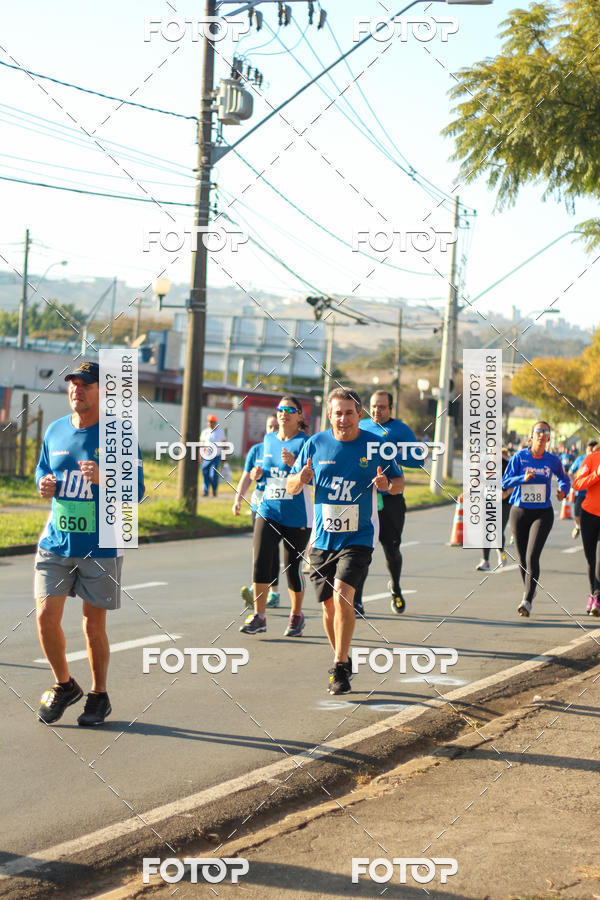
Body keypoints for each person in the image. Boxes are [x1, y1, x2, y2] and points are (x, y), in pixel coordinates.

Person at [34, 361, 145, 726]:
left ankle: (99, 695)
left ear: (103, 392)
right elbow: (42, 471)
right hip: (57, 540)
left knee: (91, 626)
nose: (76, 390)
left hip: (101, 543)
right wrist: (43, 485)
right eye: (72, 384)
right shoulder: (54, 430)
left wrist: (107, 476)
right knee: (45, 617)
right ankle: (65, 685)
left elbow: (139, 491)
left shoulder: (119, 436)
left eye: (85, 385)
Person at [287, 388, 403, 694]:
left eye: (349, 412)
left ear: (359, 415)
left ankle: (338, 665)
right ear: (329, 416)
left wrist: (386, 484)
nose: (343, 418)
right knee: (327, 607)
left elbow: (399, 483)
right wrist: (301, 478)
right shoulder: (315, 444)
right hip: (323, 539)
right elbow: (290, 485)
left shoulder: (377, 445)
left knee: (342, 596)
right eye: (338, 412)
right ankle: (342, 654)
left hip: (359, 536)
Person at [240, 397, 312, 637]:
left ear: (300, 417)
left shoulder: (306, 443)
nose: (284, 413)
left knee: (292, 568)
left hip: (297, 515)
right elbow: (266, 475)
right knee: (260, 560)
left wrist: (295, 465)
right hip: (268, 509)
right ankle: (260, 616)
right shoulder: (268, 440)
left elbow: (313, 478)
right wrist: (257, 474)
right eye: (281, 409)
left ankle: (296, 615)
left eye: (290, 410)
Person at [355, 389, 422, 615]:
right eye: (373, 406)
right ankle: (357, 600)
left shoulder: (400, 429)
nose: (376, 410)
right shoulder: (361, 426)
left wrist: (391, 452)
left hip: (391, 497)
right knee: (361, 550)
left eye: (382, 407)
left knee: (391, 549)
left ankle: (395, 586)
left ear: (391, 408)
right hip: (365, 498)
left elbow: (418, 459)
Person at [502, 421, 570, 617]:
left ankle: (527, 599)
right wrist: (522, 479)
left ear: (548, 438)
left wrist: (562, 491)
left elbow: (565, 479)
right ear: (531, 436)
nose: (542, 435)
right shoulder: (519, 457)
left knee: (532, 556)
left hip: (542, 513)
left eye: (545, 432)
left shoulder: (552, 460)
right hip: (519, 511)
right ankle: (530, 589)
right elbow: (504, 481)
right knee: (523, 560)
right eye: (538, 431)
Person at [233, 415, 281, 608]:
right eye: (270, 426)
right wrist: (238, 499)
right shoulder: (257, 450)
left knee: (272, 550)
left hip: (279, 505)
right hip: (259, 504)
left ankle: (274, 593)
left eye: (276, 426)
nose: (273, 430)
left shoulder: (288, 449)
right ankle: (258, 588)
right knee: (260, 548)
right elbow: (246, 477)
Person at [572, 443, 600, 615]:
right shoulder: (592, 459)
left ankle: (597, 596)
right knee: (591, 559)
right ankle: (593, 595)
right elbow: (577, 484)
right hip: (589, 514)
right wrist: (596, 475)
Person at [475, 448, 511, 571]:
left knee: (497, 531)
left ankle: (501, 552)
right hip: (488, 500)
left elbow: (515, 483)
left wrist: (506, 493)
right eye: (490, 451)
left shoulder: (506, 465)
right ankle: (485, 561)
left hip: (504, 502)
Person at [569, 440, 598, 539]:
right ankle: (578, 526)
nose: (589, 452)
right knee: (577, 514)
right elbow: (571, 473)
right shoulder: (580, 459)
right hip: (580, 493)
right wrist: (573, 483)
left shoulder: (596, 459)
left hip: (593, 496)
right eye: (588, 450)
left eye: (592, 450)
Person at [200, 413, 226, 497]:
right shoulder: (205, 432)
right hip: (206, 456)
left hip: (216, 456)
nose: (210, 423)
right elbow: (201, 444)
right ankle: (206, 491)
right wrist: (200, 455)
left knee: (213, 474)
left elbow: (224, 444)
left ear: (215, 422)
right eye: (209, 421)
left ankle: (214, 490)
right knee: (205, 473)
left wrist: (224, 455)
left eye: (212, 422)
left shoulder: (220, 432)